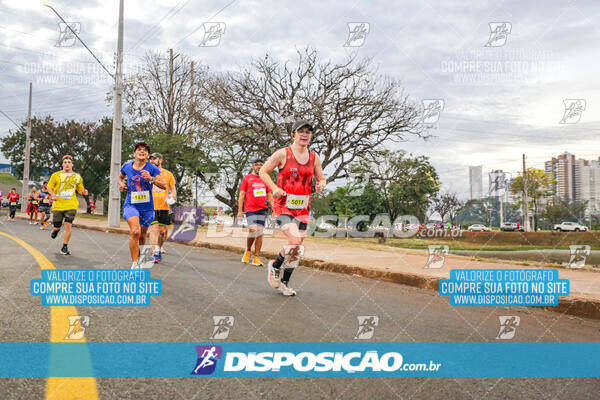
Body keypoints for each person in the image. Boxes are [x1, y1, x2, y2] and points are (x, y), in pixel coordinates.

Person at [259, 120, 326, 296]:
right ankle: (274, 266)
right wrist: (274, 188)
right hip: (283, 207)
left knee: (296, 249)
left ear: (311, 136)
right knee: (295, 240)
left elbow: (321, 178)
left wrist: (320, 185)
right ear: (293, 135)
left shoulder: (314, 157)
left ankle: (285, 282)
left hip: (303, 209)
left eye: (308, 132)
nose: (304, 134)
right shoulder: (283, 154)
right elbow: (263, 171)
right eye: (301, 131)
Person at [119, 142, 165, 269]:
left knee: (142, 236)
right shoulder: (127, 166)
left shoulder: (152, 168)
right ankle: (134, 263)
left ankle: (137, 255)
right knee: (135, 232)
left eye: (145, 150)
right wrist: (121, 184)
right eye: (139, 149)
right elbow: (120, 177)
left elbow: (164, 185)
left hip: (147, 207)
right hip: (131, 205)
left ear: (147, 155)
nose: (142, 151)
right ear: (135, 153)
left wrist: (151, 178)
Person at [47, 155, 88, 255]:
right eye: (65, 162)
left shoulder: (77, 177)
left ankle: (64, 246)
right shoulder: (55, 175)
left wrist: (83, 192)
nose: (67, 164)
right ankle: (55, 230)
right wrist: (52, 195)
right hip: (58, 204)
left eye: (69, 162)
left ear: (72, 164)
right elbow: (49, 187)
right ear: (62, 164)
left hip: (71, 204)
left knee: (68, 225)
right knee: (57, 226)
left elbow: (79, 189)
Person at [238, 158, 274, 267]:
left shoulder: (265, 179)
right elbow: (242, 195)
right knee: (253, 230)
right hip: (250, 209)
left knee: (260, 233)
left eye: (261, 165)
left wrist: (274, 210)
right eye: (256, 164)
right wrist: (240, 210)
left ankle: (256, 257)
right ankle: (248, 251)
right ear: (252, 166)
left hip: (262, 209)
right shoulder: (247, 179)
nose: (259, 166)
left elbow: (269, 196)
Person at [148, 152, 176, 263]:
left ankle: (158, 247)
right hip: (151, 206)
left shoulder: (168, 174)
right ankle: (154, 251)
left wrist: (173, 196)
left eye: (154, 159)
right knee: (154, 228)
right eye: (151, 159)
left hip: (164, 207)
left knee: (163, 232)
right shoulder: (147, 173)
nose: (152, 161)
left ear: (160, 160)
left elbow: (172, 188)